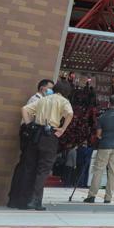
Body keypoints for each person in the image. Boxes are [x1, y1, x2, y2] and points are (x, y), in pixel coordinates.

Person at [18, 79, 74, 211]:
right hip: (50, 136)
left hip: (36, 134)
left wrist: (29, 125)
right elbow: (70, 114)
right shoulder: (63, 101)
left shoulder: (44, 99)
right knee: (43, 169)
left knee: (30, 167)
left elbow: (24, 109)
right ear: (66, 91)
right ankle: (36, 200)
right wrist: (62, 129)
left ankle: (24, 199)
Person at [8, 79, 54, 208]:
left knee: (27, 166)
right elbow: (26, 112)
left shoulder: (41, 100)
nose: (51, 91)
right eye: (50, 88)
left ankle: (19, 198)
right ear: (42, 88)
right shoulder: (36, 99)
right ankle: (19, 199)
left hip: (32, 133)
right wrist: (30, 127)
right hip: (29, 134)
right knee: (27, 166)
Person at [84, 94, 114, 204]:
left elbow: (98, 134)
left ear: (109, 103)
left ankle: (92, 196)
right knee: (113, 172)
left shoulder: (102, 117)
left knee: (98, 170)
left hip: (104, 146)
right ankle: (108, 197)